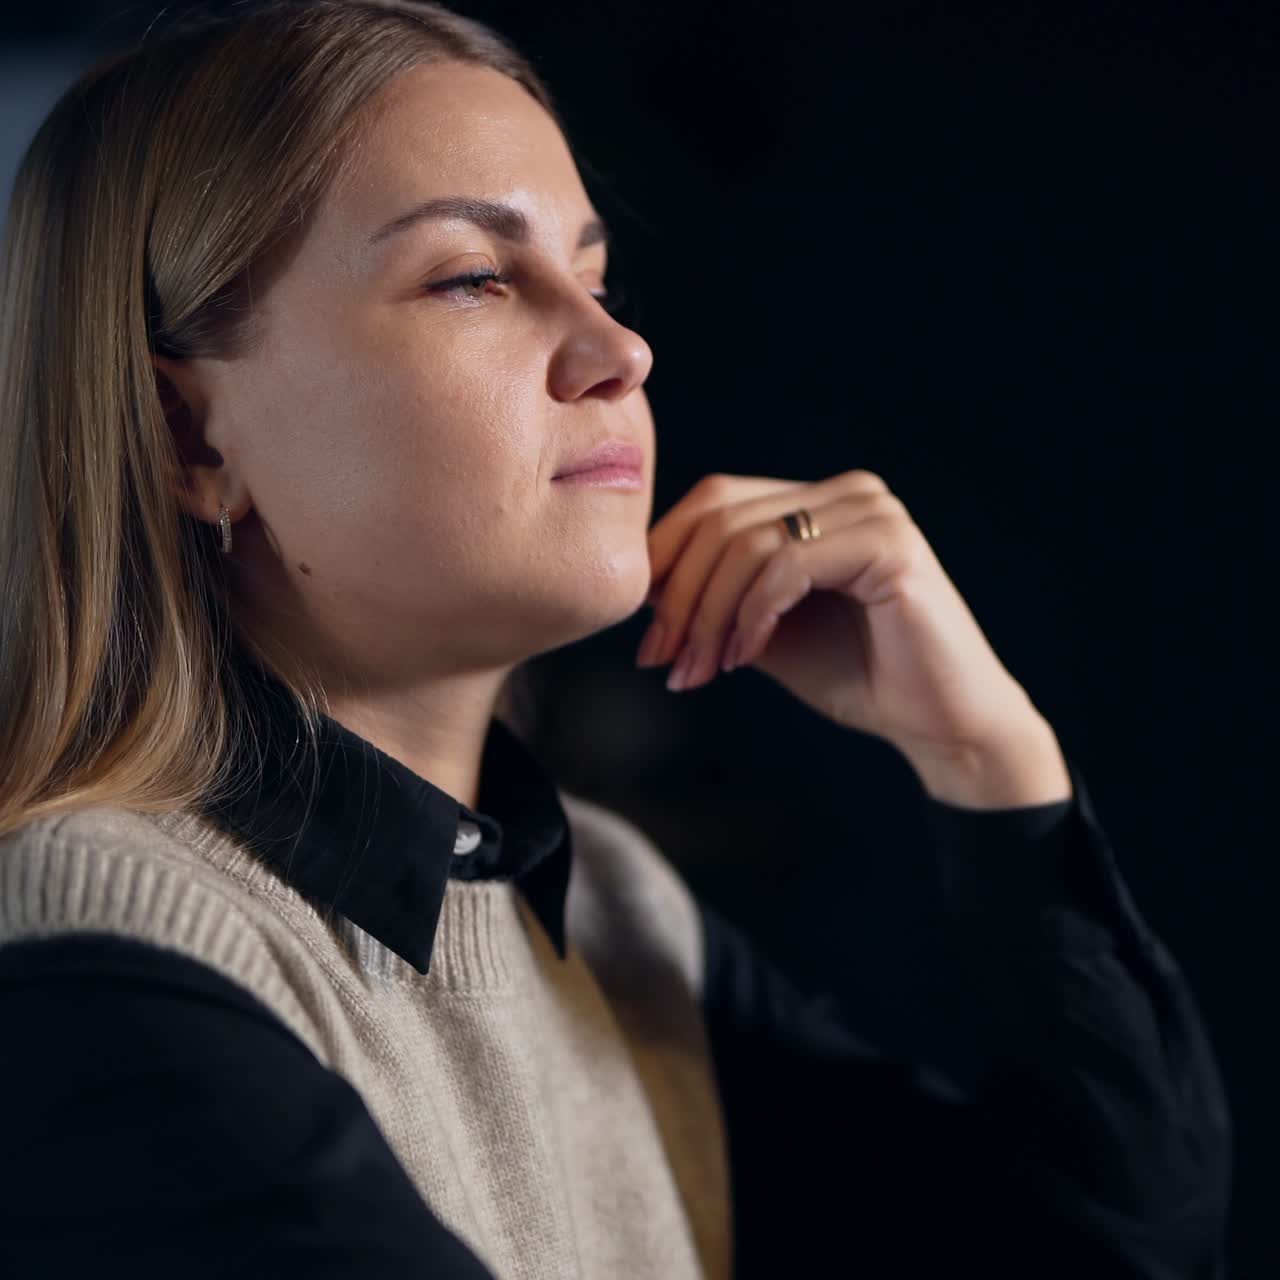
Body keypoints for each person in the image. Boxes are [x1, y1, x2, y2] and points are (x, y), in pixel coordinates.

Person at [0, 1, 1231, 1276]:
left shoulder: (618, 913)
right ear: (189, 439)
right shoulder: (90, 956)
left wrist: (986, 752)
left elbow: (1108, 1250)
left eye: (593, 279)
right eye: (473, 276)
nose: (620, 349)